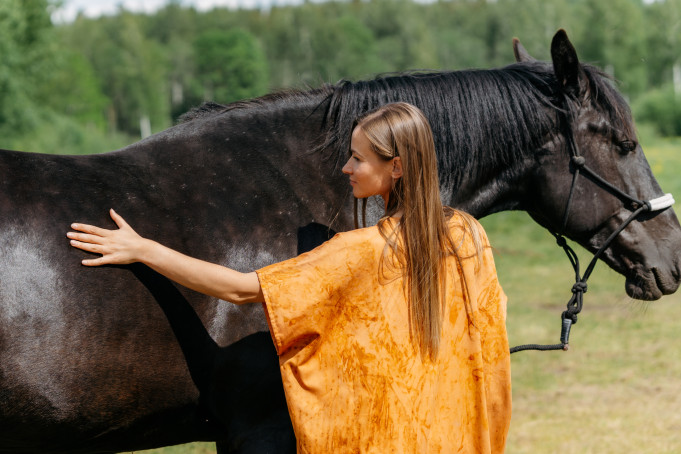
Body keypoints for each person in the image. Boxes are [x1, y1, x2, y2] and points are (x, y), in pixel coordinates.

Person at [68, 102, 511, 453]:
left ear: (396, 168)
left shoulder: (358, 251)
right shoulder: (468, 234)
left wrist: (143, 248)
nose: (346, 168)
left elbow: (239, 289)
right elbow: (488, 334)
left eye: (357, 158)